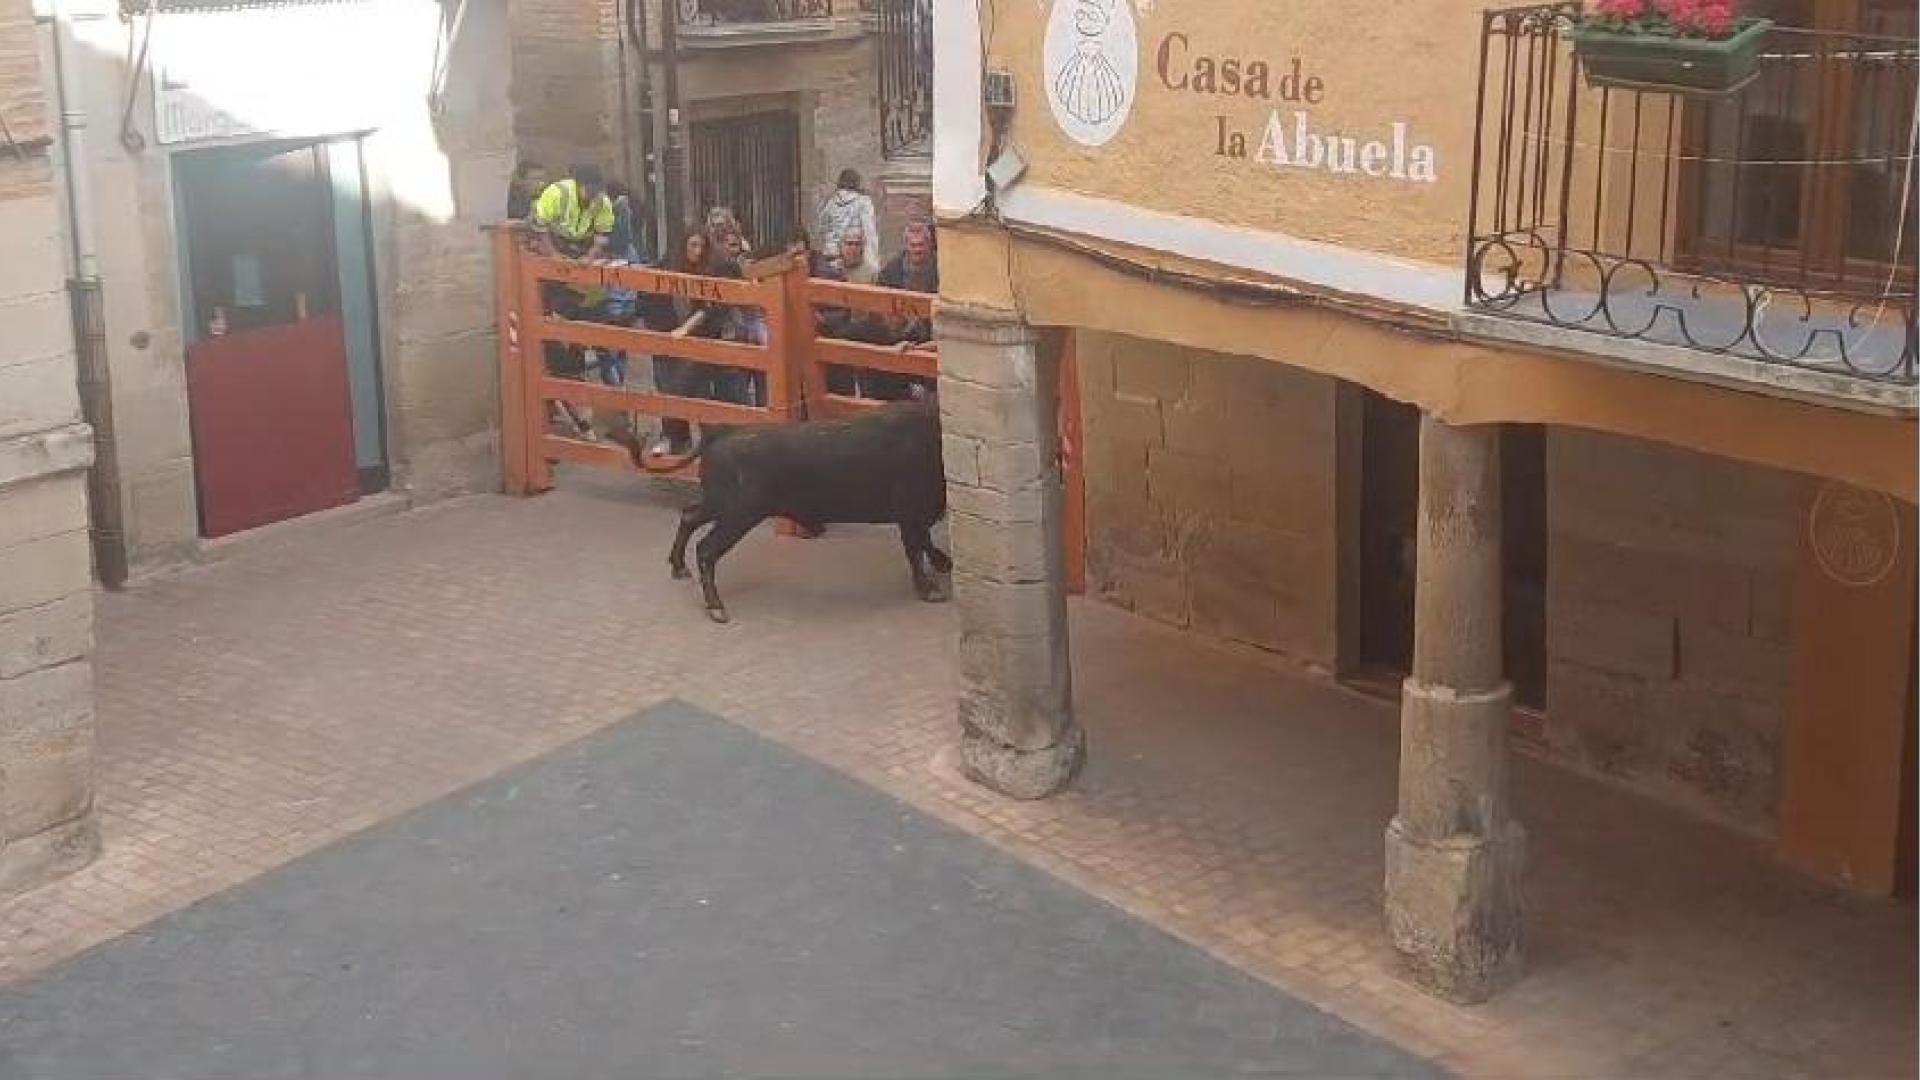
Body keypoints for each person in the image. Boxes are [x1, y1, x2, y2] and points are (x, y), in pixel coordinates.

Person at [816, 169, 880, 278]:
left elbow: (822, 227)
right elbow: (870, 231)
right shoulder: (863, 201)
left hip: (831, 254)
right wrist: (874, 259)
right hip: (854, 255)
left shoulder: (831, 202)